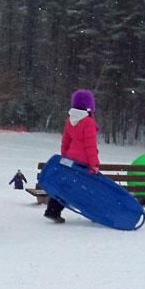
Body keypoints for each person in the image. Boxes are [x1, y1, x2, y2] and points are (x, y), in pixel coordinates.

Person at [44, 89, 101, 223]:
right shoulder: (88, 122)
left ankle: (53, 209)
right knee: (90, 187)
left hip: (71, 160)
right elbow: (90, 146)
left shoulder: (71, 120)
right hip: (84, 162)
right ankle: (95, 213)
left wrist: (66, 157)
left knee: (67, 185)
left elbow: (66, 141)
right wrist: (94, 164)